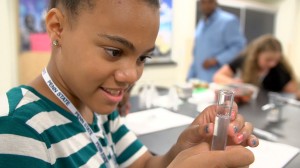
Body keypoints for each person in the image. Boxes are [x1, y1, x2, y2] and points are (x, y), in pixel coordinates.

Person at [0, 0, 258, 167]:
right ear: (58, 28)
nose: (133, 76)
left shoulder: (98, 110)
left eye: (143, 57)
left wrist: (181, 151)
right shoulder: (18, 128)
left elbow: (144, 164)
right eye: (114, 51)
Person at [213, 34, 299, 95]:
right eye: (268, 60)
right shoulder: (244, 59)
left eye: (276, 60)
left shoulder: (280, 69)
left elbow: (294, 91)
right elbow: (218, 76)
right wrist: (233, 83)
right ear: (257, 54)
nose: (273, 64)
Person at [187, 0, 246, 83]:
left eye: (209, 2)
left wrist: (216, 60)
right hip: (200, 82)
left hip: (218, 82)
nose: (206, 5)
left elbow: (239, 48)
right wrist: (189, 77)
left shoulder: (228, 21)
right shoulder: (201, 24)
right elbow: (196, 54)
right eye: (203, 2)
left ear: (215, 2)